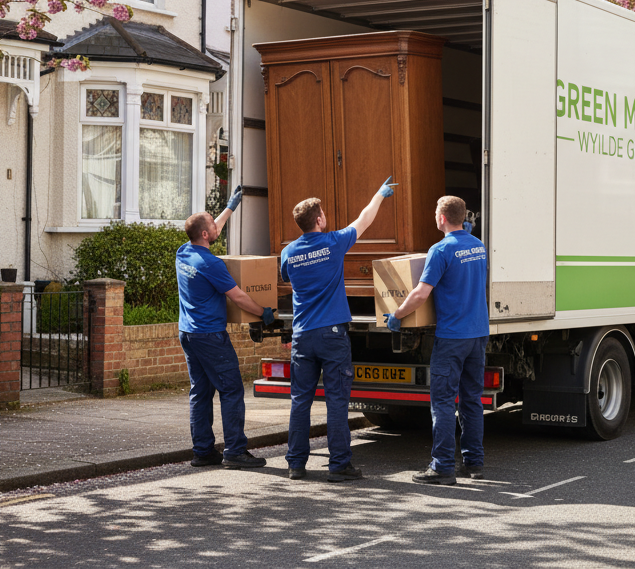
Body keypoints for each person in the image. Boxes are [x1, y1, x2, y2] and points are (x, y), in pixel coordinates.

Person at [280, 177, 396, 482]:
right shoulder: (333, 243)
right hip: (332, 335)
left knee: (300, 401)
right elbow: (365, 219)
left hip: (302, 335)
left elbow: (287, 278)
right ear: (319, 219)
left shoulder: (288, 252)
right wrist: (380, 194)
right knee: (336, 402)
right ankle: (339, 464)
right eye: (323, 213)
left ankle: (295, 464)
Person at [385, 196, 489, 485]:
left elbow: (421, 293)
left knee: (443, 401)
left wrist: (397, 315)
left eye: (435, 213)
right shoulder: (478, 245)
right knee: (471, 400)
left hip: (452, 337)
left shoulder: (441, 249)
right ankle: (474, 463)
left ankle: (442, 466)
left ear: (442, 218)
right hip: (478, 334)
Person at [176, 186, 275, 469]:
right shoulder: (212, 264)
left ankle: (203, 452)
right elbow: (238, 296)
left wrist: (230, 207)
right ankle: (234, 451)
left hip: (188, 334)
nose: (215, 225)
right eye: (211, 223)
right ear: (205, 235)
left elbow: (212, 228)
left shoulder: (183, 253)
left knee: (200, 392)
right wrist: (263, 312)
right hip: (210, 335)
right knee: (231, 390)